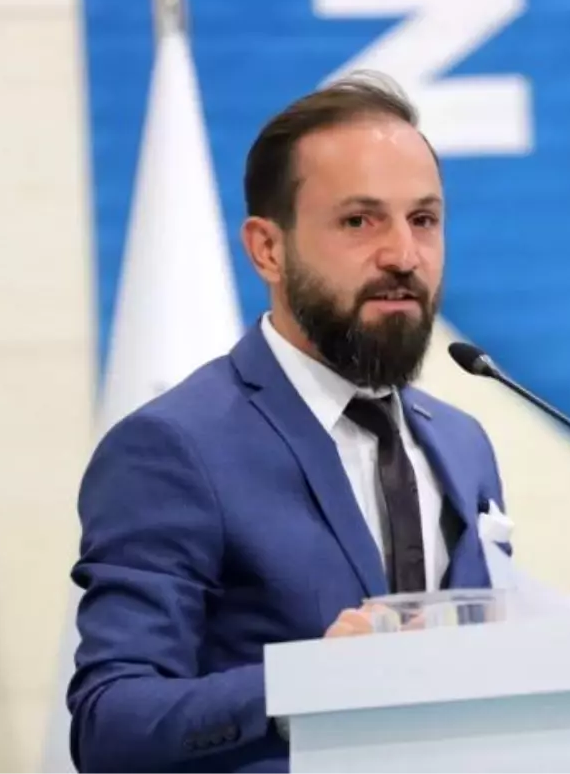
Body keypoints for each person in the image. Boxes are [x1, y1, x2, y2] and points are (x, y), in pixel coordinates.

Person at [66, 73, 508, 774]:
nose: (403, 255)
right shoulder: (175, 448)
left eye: (423, 219)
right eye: (359, 221)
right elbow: (110, 723)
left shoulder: (461, 444)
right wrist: (305, 683)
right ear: (267, 249)